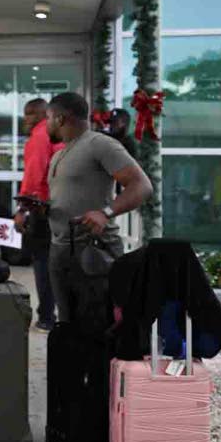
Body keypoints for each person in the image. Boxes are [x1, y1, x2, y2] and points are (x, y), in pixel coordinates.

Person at [45, 92, 151, 324]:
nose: (47, 124)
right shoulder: (59, 155)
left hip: (94, 252)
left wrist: (106, 213)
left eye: (48, 118)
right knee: (67, 327)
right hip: (60, 250)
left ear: (60, 119)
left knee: (99, 328)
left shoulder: (100, 144)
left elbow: (142, 186)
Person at [14, 98, 62, 333]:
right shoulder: (56, 136)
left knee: (43, 262)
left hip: (42, 207)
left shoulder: (40, 135)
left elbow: (34, 173)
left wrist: (23, 208)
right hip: (59, 205)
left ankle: (46, 317)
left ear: (43, 114)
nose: (26, 119)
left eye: (30, 114)